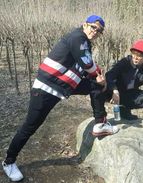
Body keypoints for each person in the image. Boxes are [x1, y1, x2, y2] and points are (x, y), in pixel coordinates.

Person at [2, 15, 119, 182]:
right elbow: (87, 64)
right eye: (93, 27)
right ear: (85, 24)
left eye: (99, 31)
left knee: (97, 85)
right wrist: (99, 76)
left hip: (64, 86)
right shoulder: (78, 37)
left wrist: (107, 85)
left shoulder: (84, 43)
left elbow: (88, 64)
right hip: (46, 89)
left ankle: (100, 123)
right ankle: (8, 161)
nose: (95, 32)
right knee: (30, 126)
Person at [91, 40, 143, 130]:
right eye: (134, 54)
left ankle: (125, 111)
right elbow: (109, 76)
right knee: (99, 87)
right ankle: (101, 117)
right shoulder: (124, 62)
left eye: (140, 56)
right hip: (113, 92)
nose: (136, 57)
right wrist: (114, 90)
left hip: (130, 95)